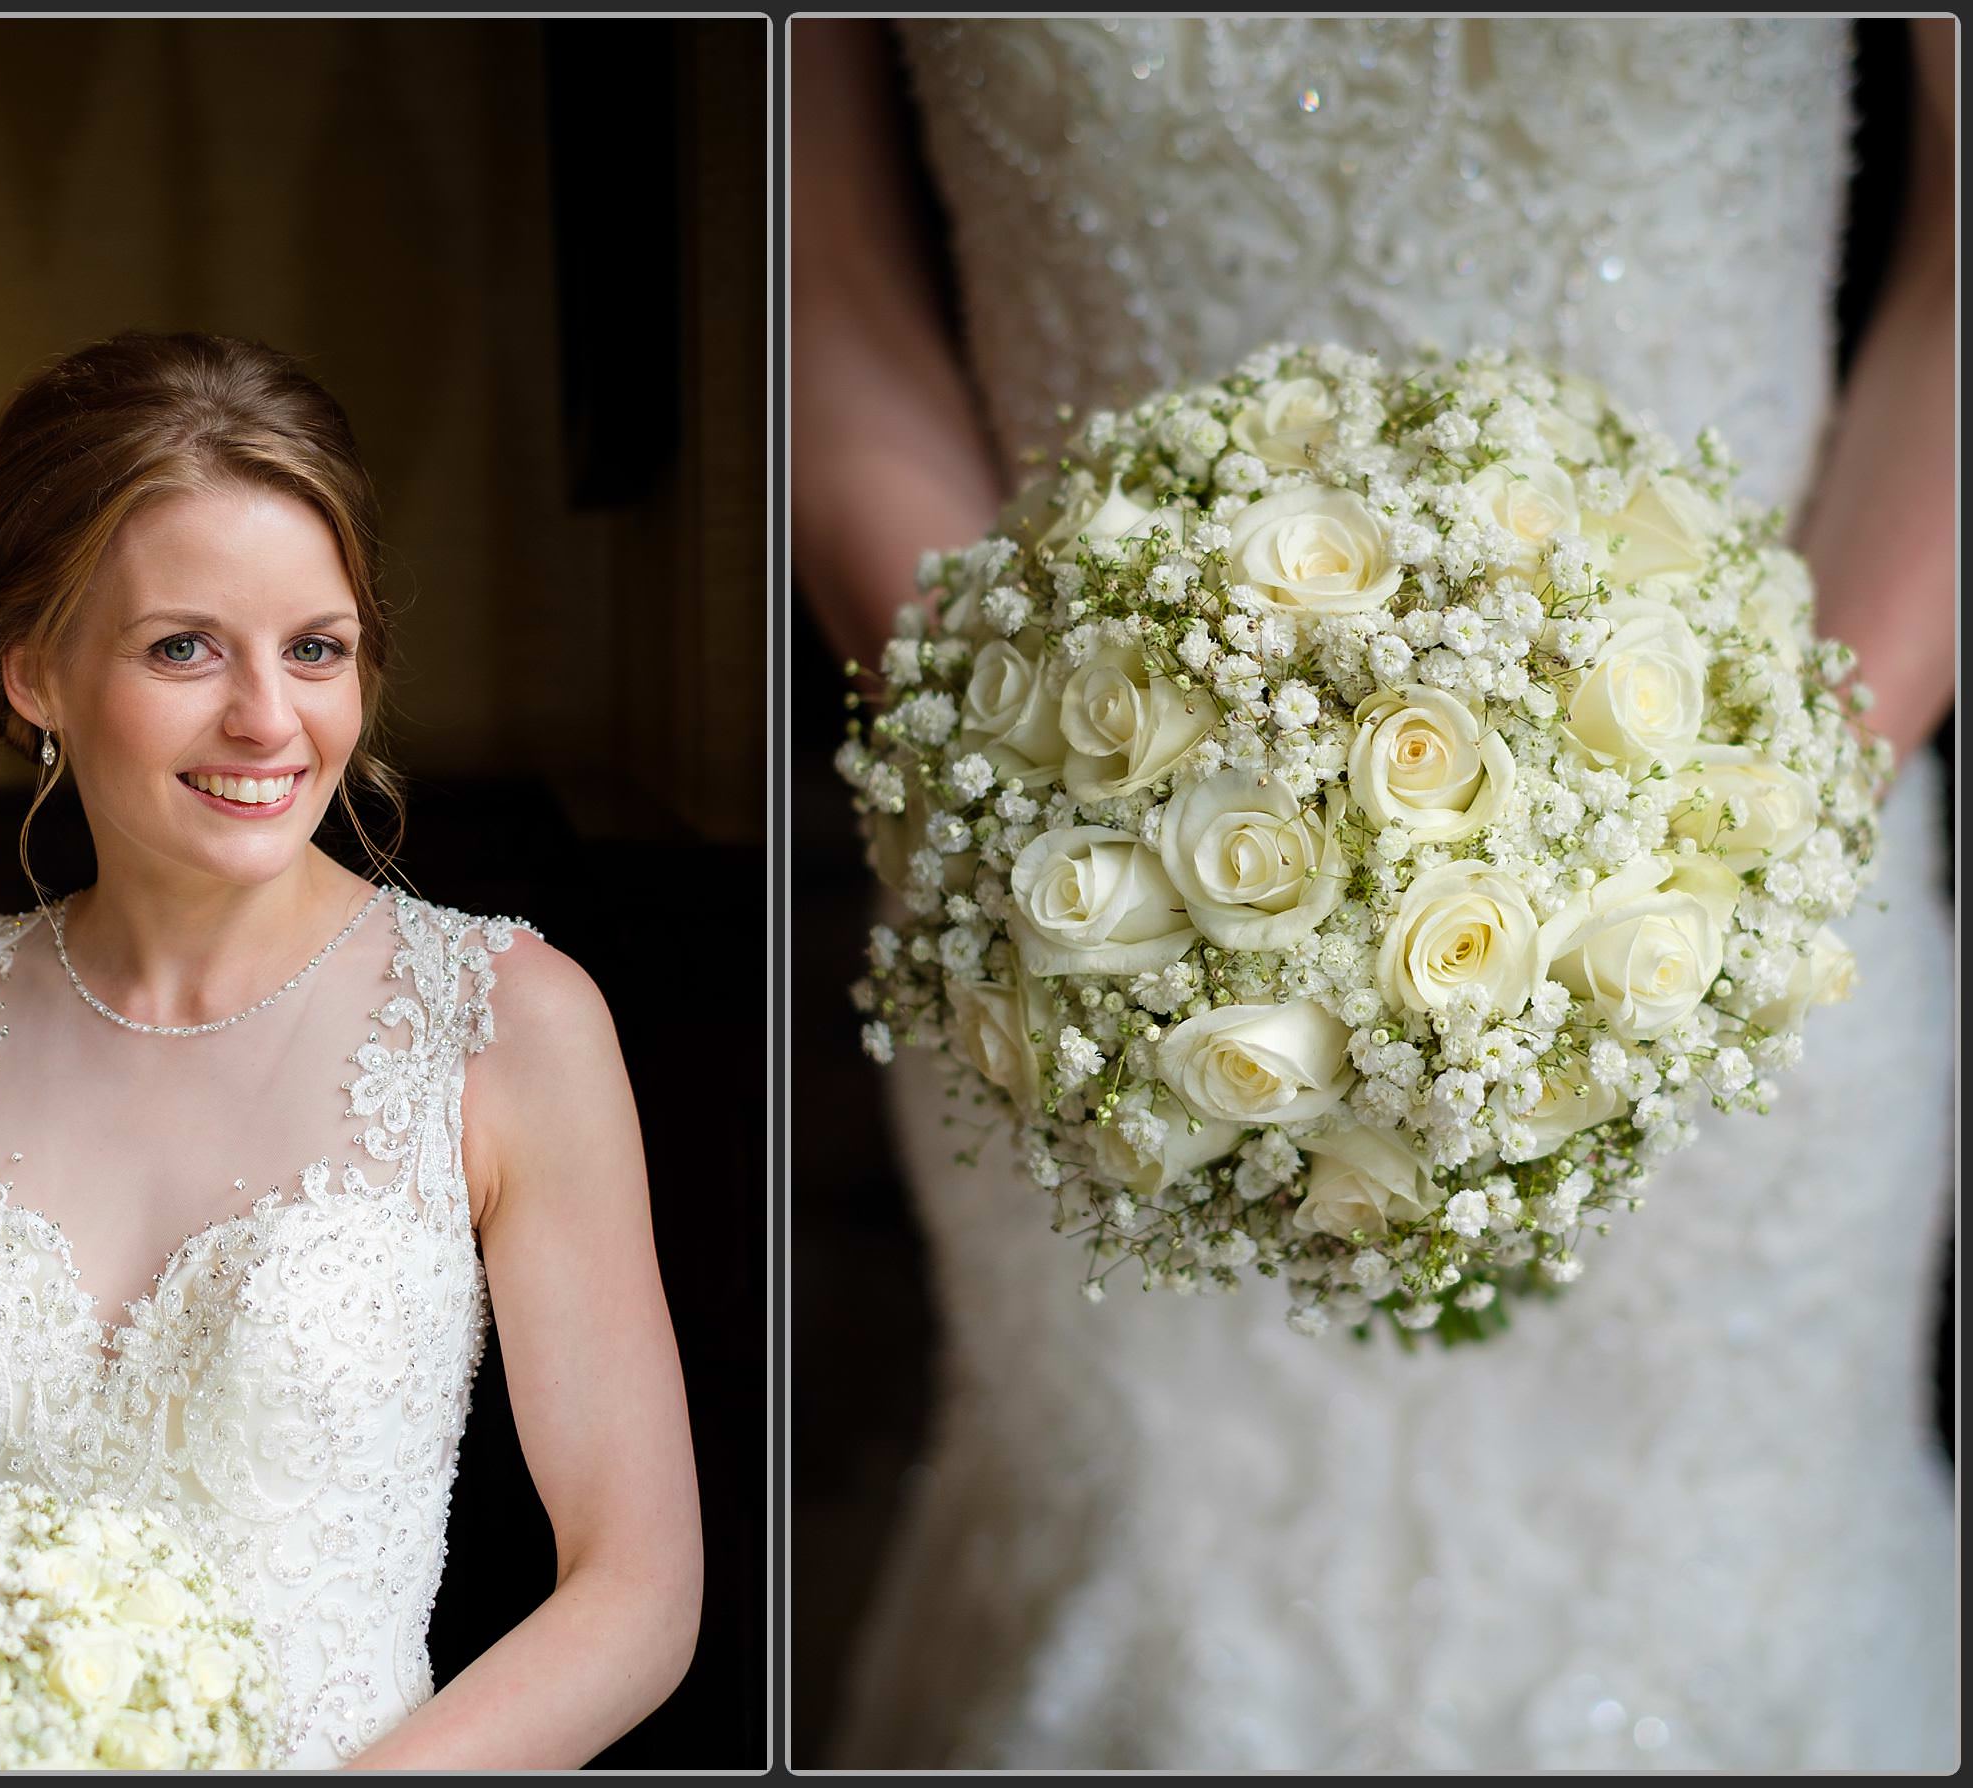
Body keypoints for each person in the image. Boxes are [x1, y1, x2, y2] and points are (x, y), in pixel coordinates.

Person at [794, 17, 1954, 1770]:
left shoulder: (1753, 865)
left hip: (1745, 892)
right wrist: (1032, 843)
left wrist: (1754, 845)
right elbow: (818, 275)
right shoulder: (1072, 903)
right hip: (1098, 926)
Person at [0, 329, 702, 1769]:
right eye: (183, 649)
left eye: (316, 648)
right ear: (33, 671)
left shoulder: (509, 1024)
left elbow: (638, 1593)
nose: (271, 721)